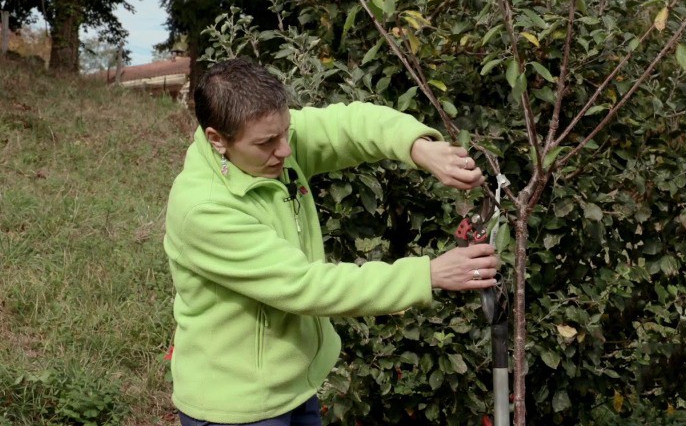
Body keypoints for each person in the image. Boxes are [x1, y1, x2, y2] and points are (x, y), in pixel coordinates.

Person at [163, 57, 499, 426]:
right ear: (217, 139)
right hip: (236, 405)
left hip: (292, 386)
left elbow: (348, 125)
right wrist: (428, 274)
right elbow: (306, 286)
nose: (285, 151)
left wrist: (418, 147)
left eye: (286, 132)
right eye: (267, 143)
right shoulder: (203, 208)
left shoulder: (266, 141)